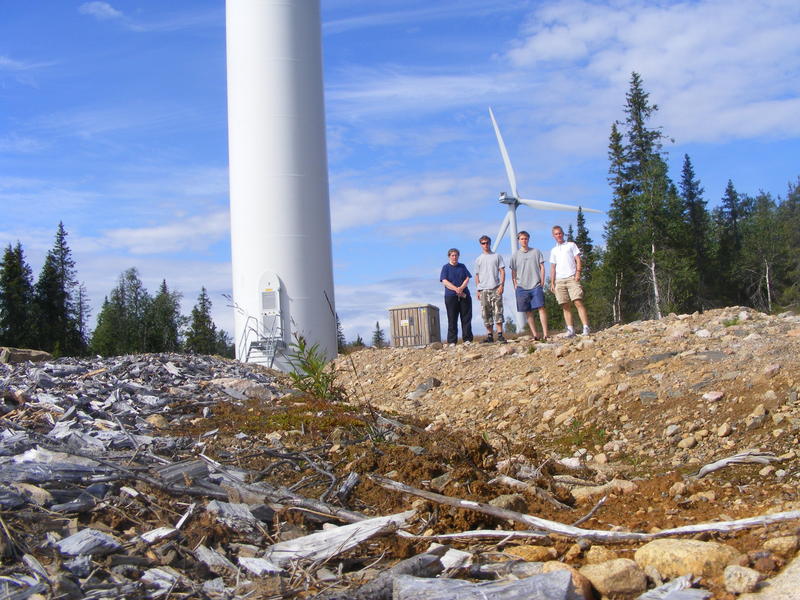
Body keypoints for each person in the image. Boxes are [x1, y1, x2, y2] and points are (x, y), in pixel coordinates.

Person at [549, 225, 590, 337]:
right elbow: (553, 267)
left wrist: (578, 272)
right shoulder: (554, 250)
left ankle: (586, 327)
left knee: (577, 301)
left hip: (571, 277)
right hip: (559, 280)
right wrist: (552, 282)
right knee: (565, 305)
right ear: (553, 236)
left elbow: (578, 259)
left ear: (563, 233)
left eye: (560, 233)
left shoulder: (571, 245)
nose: (558, 235)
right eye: (556, 234)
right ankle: (570, 329)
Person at [509, 231, 549, 340]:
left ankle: (546, 334)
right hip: (522, 287)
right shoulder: (515, 255)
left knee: (541, 308)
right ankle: (535, 334)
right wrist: (515, 285)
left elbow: (542, 267)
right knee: (528, 311)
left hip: (536, 285)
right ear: (518, 240)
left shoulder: (536, 252)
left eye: (526, 238)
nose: (524, 240)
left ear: (528, 239)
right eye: (522, 239)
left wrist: (542, 280)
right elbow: (513, 271)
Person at [474, 235, 506, 343]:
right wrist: (478, 290)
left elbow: (502, 271)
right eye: (483, 243)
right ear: (480, 245)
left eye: (487, 242)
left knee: (498, 311)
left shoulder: (497, 256)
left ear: (490, 243)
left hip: (495, 287)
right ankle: (490, 335)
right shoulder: (478, 259)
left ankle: (500, 334)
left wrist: (502, 285)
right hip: (483, 289)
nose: (485, 245)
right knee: (486, 313)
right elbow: (477, 275)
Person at [440, 248, 473, 344]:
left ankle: (467, 339)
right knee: (452, 319)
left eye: (456, 255)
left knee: (466, 318)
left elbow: (467, 278)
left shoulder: (462, 266)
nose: (454, 257)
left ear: (458, 256)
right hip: (451, 296)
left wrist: (461, 288)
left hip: (464, 295)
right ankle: (452, 341)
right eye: (452, 255)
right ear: (449, 256)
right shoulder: (445, 267)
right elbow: (444, 281)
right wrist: (456, 289)